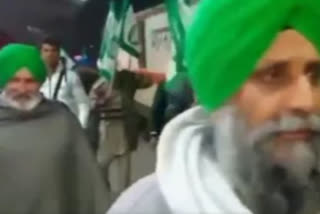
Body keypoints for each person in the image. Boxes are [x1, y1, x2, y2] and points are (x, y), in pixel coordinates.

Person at [108, 0, 320, 213]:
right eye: (273, 75)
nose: (306, 100)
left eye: (315, 75)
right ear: (221, 96)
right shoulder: (144, 208)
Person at [0, 44, 108, 214]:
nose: (21, 89)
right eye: (14, 80)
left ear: (40, 82)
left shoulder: (63, 121)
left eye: (30, 81)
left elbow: (86, 182)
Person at [40, 37, 90, 128]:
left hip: (67, 128)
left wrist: (81, 127)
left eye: (53, 51)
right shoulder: (36, 78)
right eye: (46, 51)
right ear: (41, 53)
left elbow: (83, 104)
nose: (50, 54)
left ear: (59, 53)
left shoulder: (71, 76)